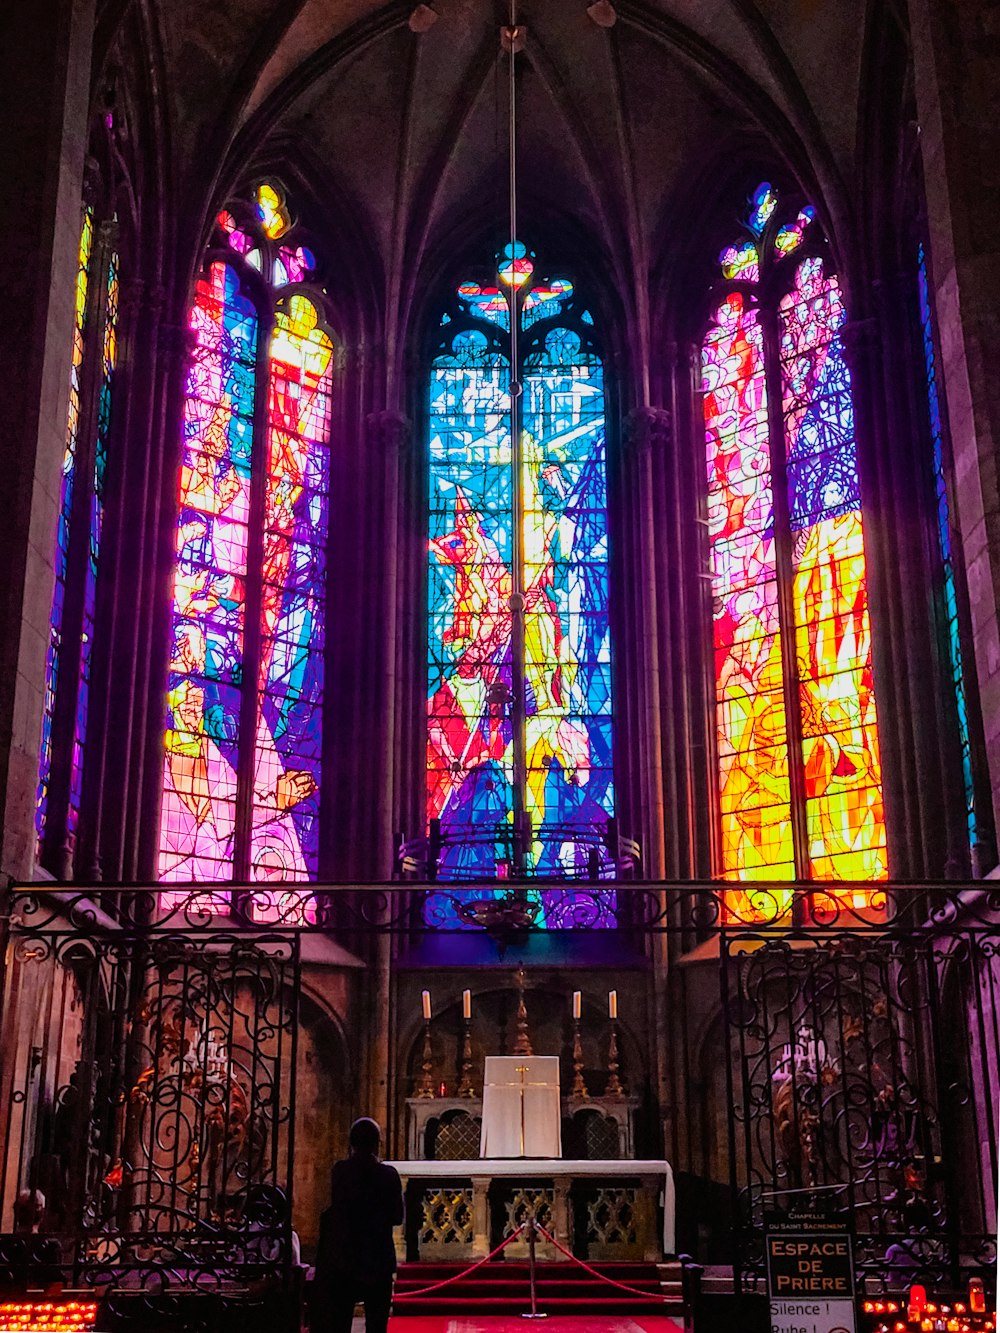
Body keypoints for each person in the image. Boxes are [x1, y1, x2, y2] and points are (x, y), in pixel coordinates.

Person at [312, 1118, 404, 1333]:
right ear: (377, 1144)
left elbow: (338, 1210)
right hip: (378, 1259)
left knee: (340, 1320)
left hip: (346, 1259)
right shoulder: (388, 1175)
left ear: (351, 1143)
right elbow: (397, 1217)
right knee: (377, 1324)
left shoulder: (341, 1171)